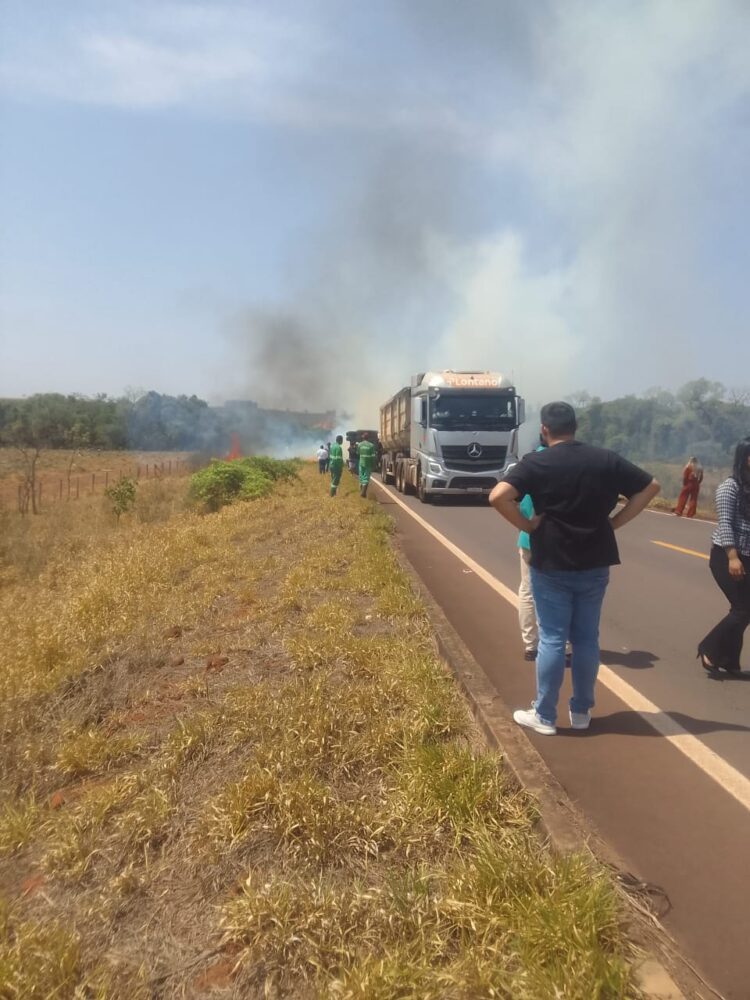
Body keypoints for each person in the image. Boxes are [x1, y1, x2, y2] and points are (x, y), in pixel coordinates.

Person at [489, 401, 660, 735]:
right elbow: (651, 487)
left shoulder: (536, 462)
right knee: (586, 639)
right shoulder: (604, 459)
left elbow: (498, 496)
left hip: (551, 561)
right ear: (575, 427)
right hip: (595, 561)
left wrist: (527, 525)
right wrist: (615, 523)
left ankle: (545, 715)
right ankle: (581, 712)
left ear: (544, 430)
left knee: (552, 638)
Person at [697, 439, 750, 674]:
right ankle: (709, 649)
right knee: (742, 609)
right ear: (747, 458)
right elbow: (725, 523)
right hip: (726, 555)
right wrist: (732, 557)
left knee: (743, 610)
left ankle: (728, 660)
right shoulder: (730, 487)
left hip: (747, 556)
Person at [356, 432, 376, 498]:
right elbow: (373, 456)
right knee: (366, 477)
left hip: (361, 462)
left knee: (361, 476)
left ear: (363, 437)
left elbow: (358, 453)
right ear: (368, 438)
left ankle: (362, 491)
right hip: (368, 463)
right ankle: (363, 492)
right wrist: (374, 464)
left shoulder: (359, 445)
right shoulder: (371, 445)